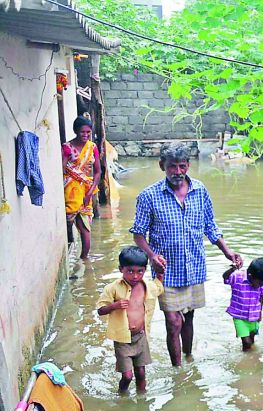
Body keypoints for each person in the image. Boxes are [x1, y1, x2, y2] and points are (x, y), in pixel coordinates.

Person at [130, 142, 242, 366]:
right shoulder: (148, 196)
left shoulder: (200, 190)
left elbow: (210, 226)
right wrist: (152, 255)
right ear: (162, 166)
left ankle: (189, 357)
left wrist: (227, 251)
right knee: (173, 322)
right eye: (172, 166)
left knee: (189, 318)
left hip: (194, 268)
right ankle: (177, 369)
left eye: (182, 166)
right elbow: (138, 234)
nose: (178, 172)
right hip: (166, 271)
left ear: (188, 166)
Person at [97, 246, 164, 392]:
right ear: (121, 269)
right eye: (130, 271)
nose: (135, 276)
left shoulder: (148, 287)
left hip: (140, 337)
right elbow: (100, 310)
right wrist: (114, 305)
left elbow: (159, 287)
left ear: (144, 270)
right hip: (123, 340)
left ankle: (142, 399)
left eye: (140, 271)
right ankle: (122, 395)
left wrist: (160, 272)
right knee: (127, 376)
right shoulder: (112, 288)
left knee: (141, 373)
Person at [62, 116, 100, 259]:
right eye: (82, 132)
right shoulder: (67, 148)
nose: (85, 135)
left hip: (86, 190)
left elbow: (97, 172)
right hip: (70, 190)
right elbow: (63, 169)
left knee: (85, 228)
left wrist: (90, 193)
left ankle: (84, 259)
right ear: (76, 131)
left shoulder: (93, 147)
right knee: (69, 221)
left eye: (88, 132)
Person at [223, 257, 263, 351]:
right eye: (260, 282)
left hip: (254, 316)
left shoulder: (261, 285)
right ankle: (248, 361)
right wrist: (232, 269)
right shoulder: (237, 277)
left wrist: (260, 313)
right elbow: (225, 277)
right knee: (246, 342)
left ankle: (250, 356)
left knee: (251, 340)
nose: (262, 284)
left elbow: (262, 296)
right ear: (250, 275)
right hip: (239, 317)